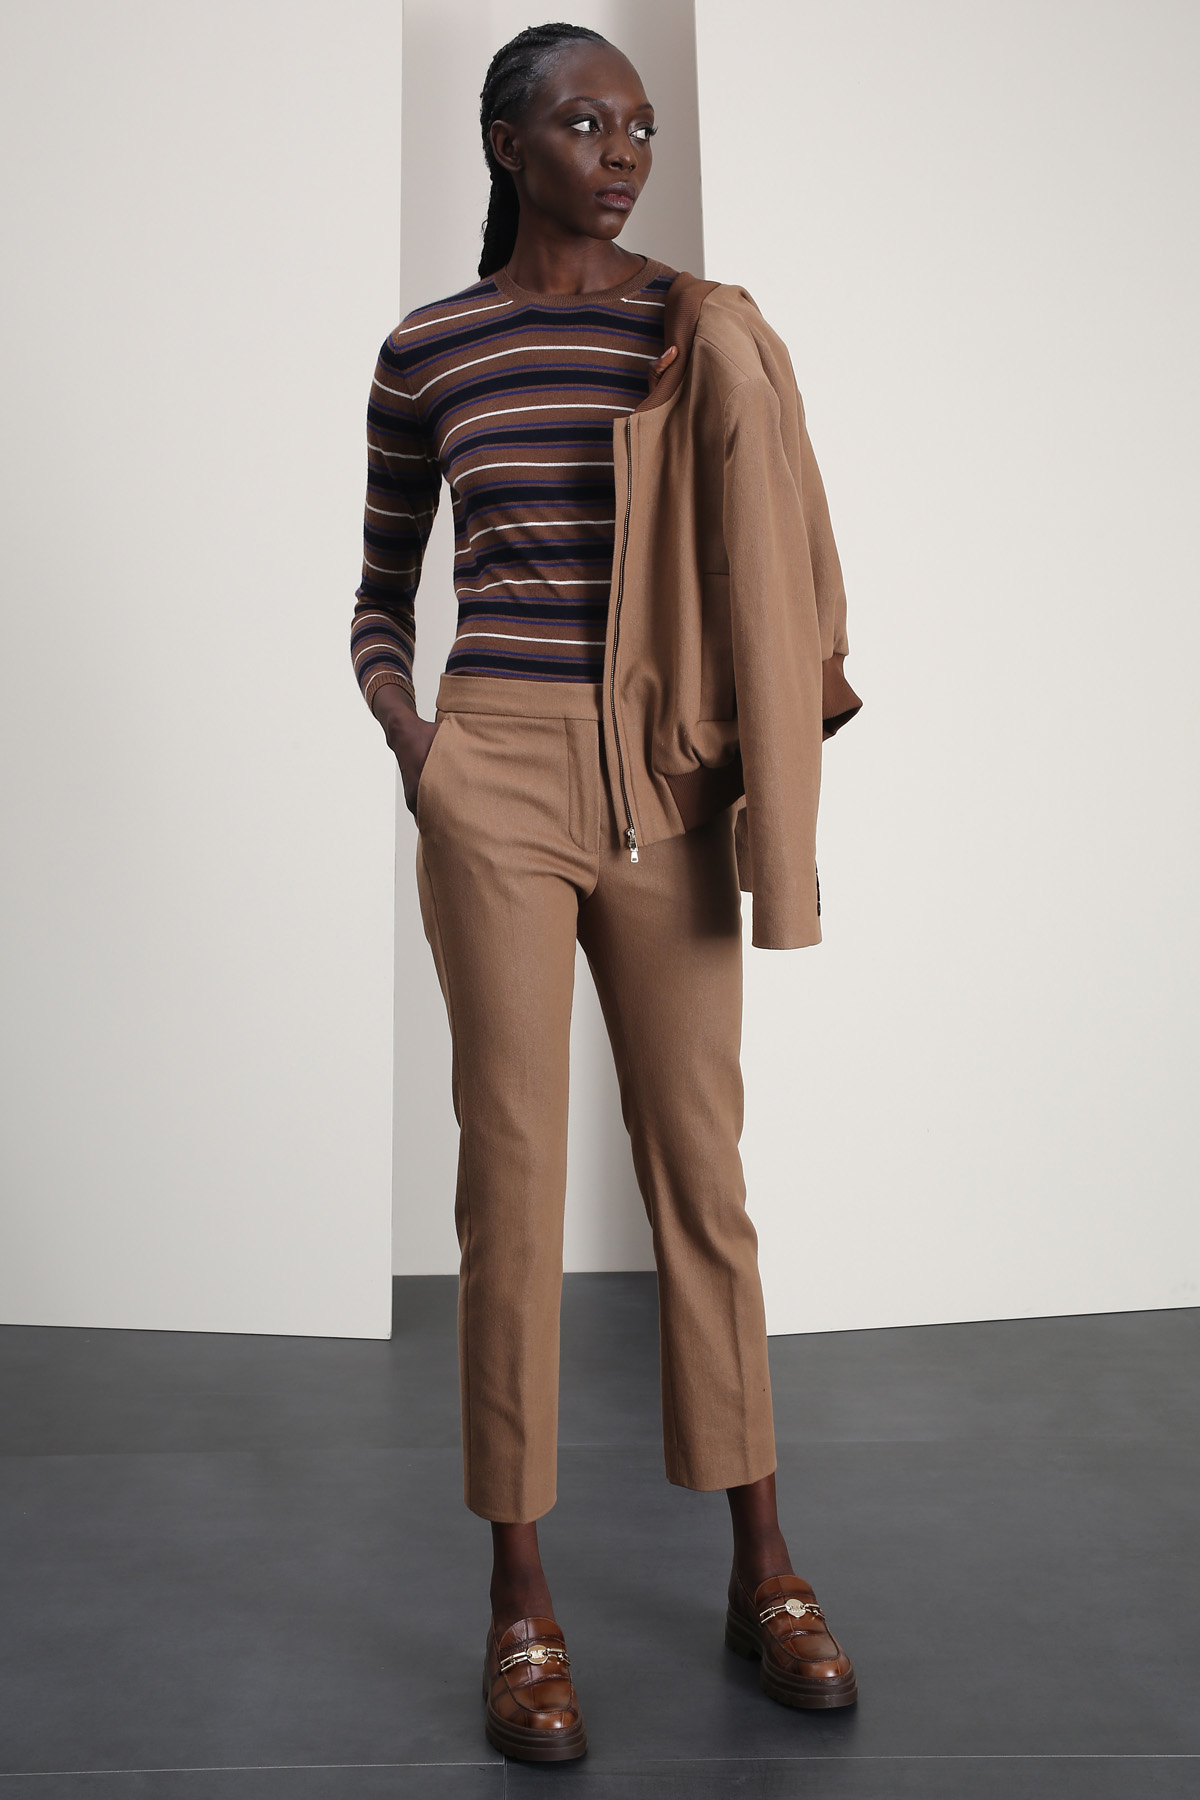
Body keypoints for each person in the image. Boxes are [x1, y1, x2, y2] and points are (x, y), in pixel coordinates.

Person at [351, 20, 862, 1764]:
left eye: (639, 126)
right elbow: (377, 592)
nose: (624, 152)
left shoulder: (695, 327)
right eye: (585, 123)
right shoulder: (430, 349)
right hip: (493, 767)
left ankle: (764, 1566)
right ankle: (520, 1601)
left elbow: (770, 556)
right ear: (508, 144)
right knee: (508, 1182)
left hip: (665, 773)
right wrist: (418, 741)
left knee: (700, 1173)